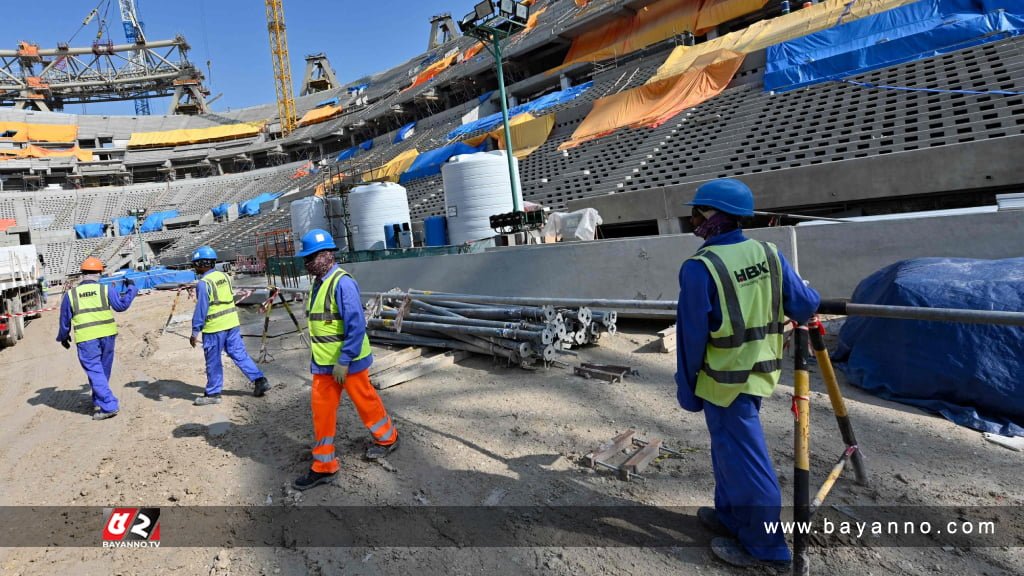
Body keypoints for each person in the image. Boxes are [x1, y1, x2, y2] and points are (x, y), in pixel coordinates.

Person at [675, 178, 820, 569]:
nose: (694, 219)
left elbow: (690, 339)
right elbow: (805, 305)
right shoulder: (769, 253)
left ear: (717, 217)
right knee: (726, 449)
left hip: (723, 381)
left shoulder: (700, 268)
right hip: (760, 372)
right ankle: (730, 515)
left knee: (745, 460)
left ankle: (766, 546)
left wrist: (687, 390)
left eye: (699, 212)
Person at [292, 229, 398, 491]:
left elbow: (356, 324)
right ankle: (324, 466)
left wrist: (345, 359)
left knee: (365, 402)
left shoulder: (343, 282)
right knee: (322, 412)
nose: (308, 262)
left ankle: (387, 439)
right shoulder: (319, 282)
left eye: (312, 257)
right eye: (306, 258)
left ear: (328, 255)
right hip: (325, 365)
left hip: (347, 363)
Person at [56, 257, 138, 420]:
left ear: (82, 274)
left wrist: (63, 337)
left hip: (87, 339)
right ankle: (99, 399)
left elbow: (64, 320)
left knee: (94, 370)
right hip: (108, 334)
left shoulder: (71, 295)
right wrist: (132, 289)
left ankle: (108, 405)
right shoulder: (106, 289)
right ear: (99, 273)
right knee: (102, 369)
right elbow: (121, 306)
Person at [189, 246, 270, 405]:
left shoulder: (204, 283)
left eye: (196, 264)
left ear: (202, 263)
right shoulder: (224, 276)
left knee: (213, 361)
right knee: (239, 354)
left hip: (214, 328)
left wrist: (194, 331)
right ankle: (260, 380)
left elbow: (201, 310)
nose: (195, 267)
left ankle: (213, 394)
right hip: (232, 323)